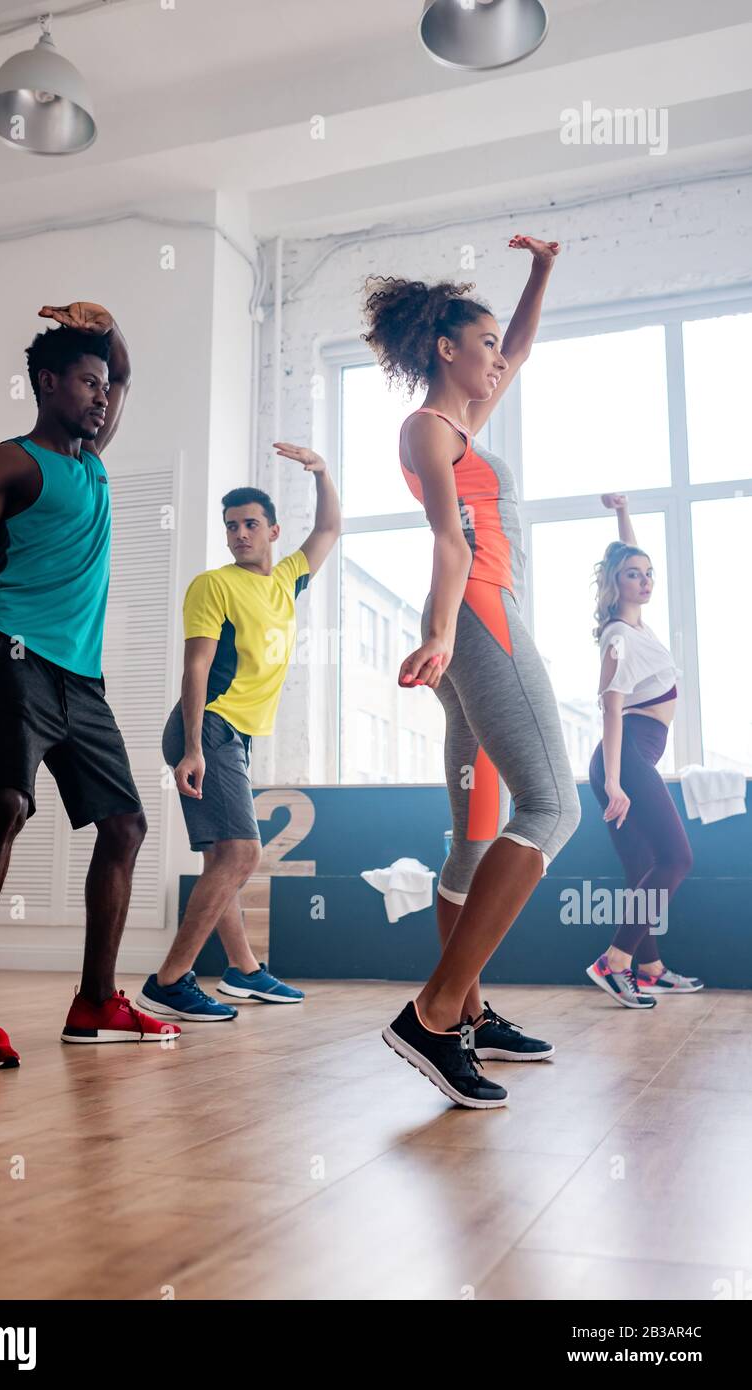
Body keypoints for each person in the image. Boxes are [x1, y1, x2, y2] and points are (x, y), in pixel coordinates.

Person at [0, 302, 176, 1067]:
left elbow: (130, 370)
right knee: (7, 803)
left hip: (80, 677)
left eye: (106, 387)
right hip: (6, 644)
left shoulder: (92, 458)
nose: (102, 396)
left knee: (125, 826)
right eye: (87, 383)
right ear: (47, 384)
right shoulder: (6, 461)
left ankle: (95, 1001)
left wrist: (111, 326)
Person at [361, 235, 581, 1109]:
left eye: (496, 344)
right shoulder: (425, 429)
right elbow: (449, 542)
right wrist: (447, 633)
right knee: (552, 805)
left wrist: (541, 273)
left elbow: (521, 349)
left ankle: (470, 1013)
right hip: (481, 619)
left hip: (472, 625)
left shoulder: (457, 423)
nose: (498, 356)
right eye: (482, 342)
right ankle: (436, 1010)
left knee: (475, 833)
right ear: (446, 349)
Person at [136, 447, 341, 1023]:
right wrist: (196, 747)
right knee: (245, 853)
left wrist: (322, 471)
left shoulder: (286, 581)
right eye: (231, 526)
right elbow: (195, 668)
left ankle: (244, 971)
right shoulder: (213, 585)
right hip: (208, 728)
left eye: (251, 524)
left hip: (235, 737)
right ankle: (169, 981)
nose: (240, 534)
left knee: (224, 858)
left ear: (273, 531)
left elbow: (329, 528)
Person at [586, 493, 702, 1006]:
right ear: (617, 584)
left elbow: (627, 554)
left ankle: (650, 967)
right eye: (634, 575)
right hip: (626, 757)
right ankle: (615, 962)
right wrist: (614, 781)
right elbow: (610, 709)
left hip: (634, 757)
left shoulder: (636, 625)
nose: (646, 580)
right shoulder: (620, 638)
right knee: (677, 859)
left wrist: (621, 515)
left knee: (644, 869)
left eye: (649, 573)